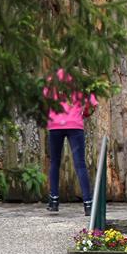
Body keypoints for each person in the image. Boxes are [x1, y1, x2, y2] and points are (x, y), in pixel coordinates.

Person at [43, 68, 98, 216]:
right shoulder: (82, 78)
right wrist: (84, 113)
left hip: (55, 124)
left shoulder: (51, 78)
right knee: (80, 163)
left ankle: (54, 201)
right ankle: (88, 204)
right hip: (75, 124)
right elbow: (92, 103)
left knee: (55, 162)